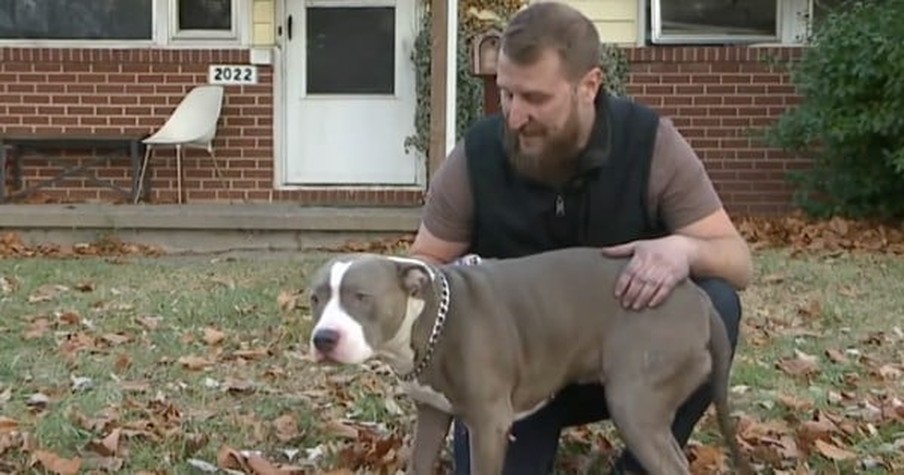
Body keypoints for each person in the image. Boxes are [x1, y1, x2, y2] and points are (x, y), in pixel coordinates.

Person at [406, 2, 754, 474]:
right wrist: (457, 281)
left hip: (628, 354)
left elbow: (737, 260)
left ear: (588, 86)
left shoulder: (648, 144)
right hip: (511, 372)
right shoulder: (477, 156)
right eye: (507, 94)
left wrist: (683, 249)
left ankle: (642, 463)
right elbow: (423, 267)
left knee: (715, 302)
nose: (513, 116)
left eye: (535, 98)